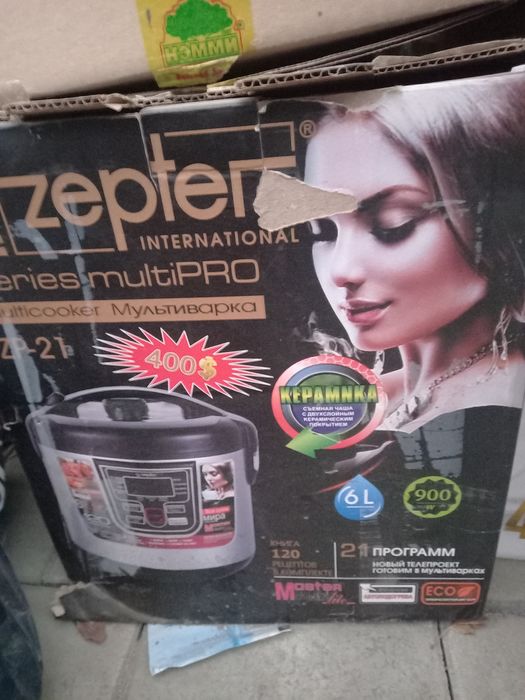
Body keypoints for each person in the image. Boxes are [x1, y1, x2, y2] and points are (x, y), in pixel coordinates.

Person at [302, 79, 525, 431]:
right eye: (324, 231)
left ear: (496, 222)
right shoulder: (370, 400)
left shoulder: (502, 404)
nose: (340, 270)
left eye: (393, 226)